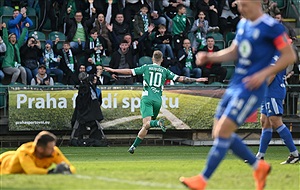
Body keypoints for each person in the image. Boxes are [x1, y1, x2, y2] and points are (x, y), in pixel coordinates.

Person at [179, 1, 296, 190]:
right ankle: (258, 166)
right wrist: (211, 57)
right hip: (236, 85)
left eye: (243, 4)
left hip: (251, 89)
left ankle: (203, 179)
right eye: (238, 5)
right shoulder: (243, 24)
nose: (240, 8)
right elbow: (234, 51)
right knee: (218, 132)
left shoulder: (272, 27)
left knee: (224, 131)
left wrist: (263, 74)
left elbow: (289, 56)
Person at [104, 50, 207, 154]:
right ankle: (133, 147)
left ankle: (157, 123)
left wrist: (113, 70)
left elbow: (129, 71)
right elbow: (181, 78)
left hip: (147, 98)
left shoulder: (146, 67)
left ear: (152, 58)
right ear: (162, 60)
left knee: (147, 124)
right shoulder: (165, 71)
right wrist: (197, 80)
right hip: (158, 100)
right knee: (146, 126)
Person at [254, 52, 299, 164]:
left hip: (273, 91)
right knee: (265, 122)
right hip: (270, 91)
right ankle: (260, 156)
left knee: (276, 121)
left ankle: (295, 154)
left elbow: (272, 74)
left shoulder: (274, 54)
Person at [0, 131, 76, 174]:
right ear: (40, 149)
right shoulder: (24, 151)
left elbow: (70, 166)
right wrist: (51, 172)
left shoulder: (53, 151)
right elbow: (31, 171)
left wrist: (68, 171)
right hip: (3, 162)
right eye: (50, 148)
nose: (54, 150)